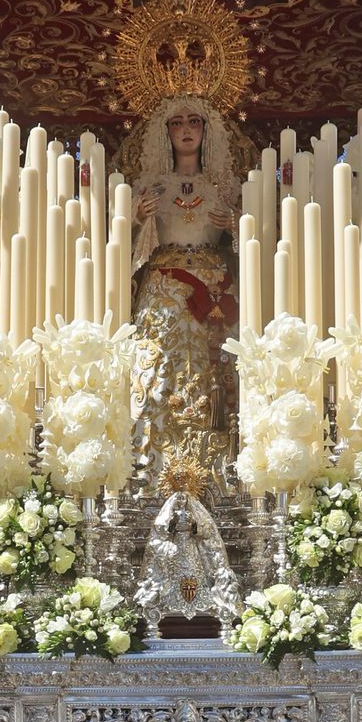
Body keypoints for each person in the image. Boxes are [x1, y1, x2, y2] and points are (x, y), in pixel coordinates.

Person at [127, 95, 240, 478]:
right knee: (158, 371)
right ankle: (151, 466)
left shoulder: (224, 189)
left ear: (207, 131)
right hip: (162, 294)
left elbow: (250, 246)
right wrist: (135, 218)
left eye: (194, 121)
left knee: (214, 376)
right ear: (165, 133)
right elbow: (124, 248)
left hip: (212, 295)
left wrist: (235, 225)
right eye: (177, 123)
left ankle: (216, 468)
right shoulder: (148, 189)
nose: (186, 129)